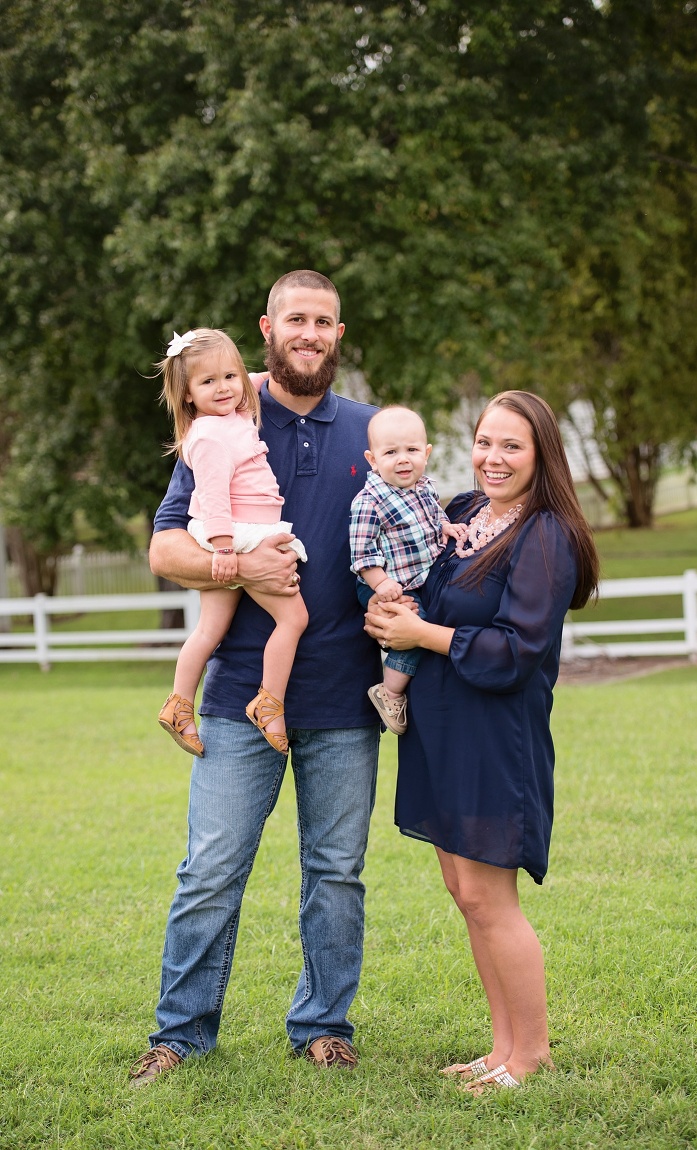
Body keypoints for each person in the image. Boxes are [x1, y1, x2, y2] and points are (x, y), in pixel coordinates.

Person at [129, 271, 383, 1085]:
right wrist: (235, 563)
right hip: (240, 694)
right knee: (210, 870)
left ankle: (323, 1025)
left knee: (336, 874)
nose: (309, 333)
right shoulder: (226, 414)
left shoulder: (372, 432)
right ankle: (180, 1035)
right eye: (295, 319)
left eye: (324, 321)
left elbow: (411, 527)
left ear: (338, 334)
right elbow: (167, 546)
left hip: (343, 699)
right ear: (267, 327)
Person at [364, 391, 600, 1094]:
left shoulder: (547, 535)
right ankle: (499, 1049)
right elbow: (414, 573)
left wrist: (421, 636)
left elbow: (516, 650)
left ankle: (530, 1056)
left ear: (541, 455)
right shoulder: (461, 511)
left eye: (512, 447)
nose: (493, 458)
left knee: (492, 898)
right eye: (485, 442)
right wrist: (389, 599)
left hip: (496, 733)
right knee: (466, 893)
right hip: (439, 726)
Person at [156, 327, 308, 757]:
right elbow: (216, 497)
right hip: (237, 533)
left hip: (237, 531)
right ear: (186, 394)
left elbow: (258, 378)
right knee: (294, 619)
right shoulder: (208, 436)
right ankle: (268, 703)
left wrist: (258, 374)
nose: (223, 388)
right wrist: (224, 549)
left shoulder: (235, 413)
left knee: (210, 629)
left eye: (229, 377)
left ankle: (179, 703)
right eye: (207, 382)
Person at [350, 406, 466, 735]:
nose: (403, 459)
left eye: (412, 450)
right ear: (372, 460)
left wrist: (446, 526)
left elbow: (431, 519)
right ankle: (390, 692)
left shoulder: (425, 487)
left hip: (415, 577)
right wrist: (380, 583)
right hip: (383, 579)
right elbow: (362, 553)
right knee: (416, 626)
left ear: (426, 454)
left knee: (431, 617)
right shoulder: (369, 500)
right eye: (391, 452)